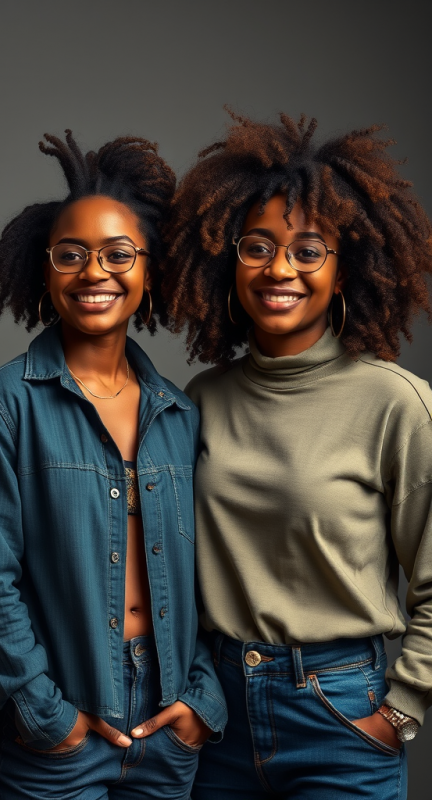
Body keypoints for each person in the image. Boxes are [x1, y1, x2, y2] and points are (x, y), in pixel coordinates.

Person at [160, 111, 432, 799]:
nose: (279, 269)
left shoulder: (395, 403)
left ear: (343, 272)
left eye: (309, 251)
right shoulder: (203, 397)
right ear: (229, 259)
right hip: (217, 715)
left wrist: (401, 709)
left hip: (339, 713)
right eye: (257, 246)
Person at [0, 131, 227, 800]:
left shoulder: (180, 414)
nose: (94, 271)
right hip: (58, 724)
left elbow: (205, 576)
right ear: (44, 269)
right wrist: (42, 710)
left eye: (117, 254)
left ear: (150, 268)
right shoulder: (2, 404)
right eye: (71, 254)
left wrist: (202, 702)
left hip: (169, 723)